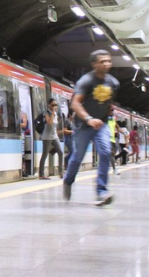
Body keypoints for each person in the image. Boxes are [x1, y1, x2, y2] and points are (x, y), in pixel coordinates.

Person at [63, 50, 119, 206]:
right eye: (102, 61)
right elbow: (75, 103)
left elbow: (109, 103)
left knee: (106, 152)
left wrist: (107, 117)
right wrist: (88, 119)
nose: (106, 64)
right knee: (77, 158)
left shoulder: (113, 83)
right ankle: (68, 181)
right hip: (83, 125)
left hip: (101, 124)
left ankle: (102, 192)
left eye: (108, 61)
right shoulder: (86, 81)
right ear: (94, 64)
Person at [39, 98, 64, 179]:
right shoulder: (46, 113)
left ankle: (61, 172)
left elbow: (54, 126)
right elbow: (49, 123)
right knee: (45, 154)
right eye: (52, 105)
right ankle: (41, 174)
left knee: (60, 152)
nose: (54, 106)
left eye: (55, 105)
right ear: (49, 105)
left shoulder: (56, 114)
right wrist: (52, 112)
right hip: (47, 137)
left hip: (54, 136)